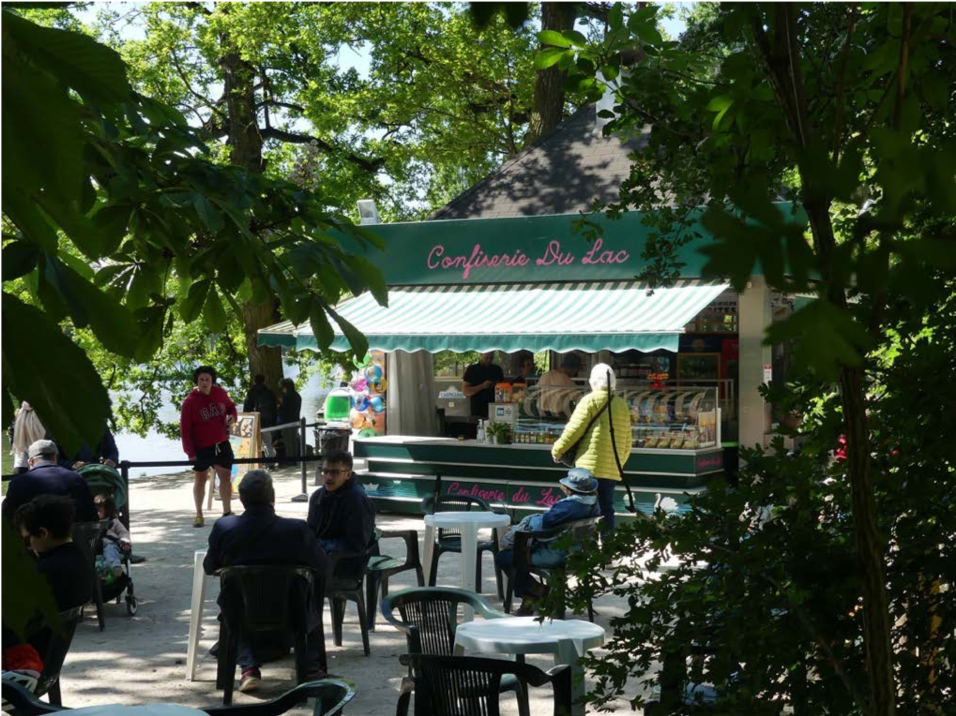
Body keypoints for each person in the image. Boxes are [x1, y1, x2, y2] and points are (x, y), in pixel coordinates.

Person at [203, 470, 329, 693]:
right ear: (272, 495)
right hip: (292, 613)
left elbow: (209, 567)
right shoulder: (296, 530)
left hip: (242, 613)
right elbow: (322, 566)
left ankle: (249, 666)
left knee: (234, 600)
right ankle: (310, 663)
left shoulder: (225, 528)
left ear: (241, 499)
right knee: (309, 586)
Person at [2, 495, 94, 693]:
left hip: (19, 669)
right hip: (45, 666)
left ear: (43, 533)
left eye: (27, 540)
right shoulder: (79, 561)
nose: (28, 547)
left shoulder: (46, 572)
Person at [494, 468, 600, 615]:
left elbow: (543, 525)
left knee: (505, 557)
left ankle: (534, 592)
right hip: (579, 553)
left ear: (570, 489)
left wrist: (530, 519)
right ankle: (532, 595)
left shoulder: (569, 506)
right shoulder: (594, 504)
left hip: (556, 554)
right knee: (517, 553)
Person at [551, 363, 632, 532]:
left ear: (592, 381)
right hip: (610, 470)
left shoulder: (589, 400)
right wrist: (618, 465)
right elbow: (627, 441)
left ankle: (582, 549)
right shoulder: (622, 405)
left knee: (582, 510)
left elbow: (573, 430)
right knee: (607, 510)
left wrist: (557, 450)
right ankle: (606, 550)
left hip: (586, 471)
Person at [180, 365, 237, 528]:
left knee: (225, 475)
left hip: (221, 443)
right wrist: (190, 452)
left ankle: (227, 512)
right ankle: (199, 514)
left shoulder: (220, 393)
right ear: (197, 382)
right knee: (200, 479)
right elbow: (185, 429)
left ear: (212, 381)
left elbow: (231, 407)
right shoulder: (189, 402)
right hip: (201, 447)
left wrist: (232, 417)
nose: (205, 383)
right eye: (201, 380)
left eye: (207, 380)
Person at [307, 450, 375, 567]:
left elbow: (356, 544)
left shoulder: (357, 500)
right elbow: (311, 530)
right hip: (319, 556)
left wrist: (320, 546)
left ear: (348, 474)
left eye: (334, 472)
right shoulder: (317, 496)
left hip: (346, 563)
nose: (328, 477)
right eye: (325, 471)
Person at [1, 440, 97, 523]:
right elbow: (91, 515)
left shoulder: (18, 483)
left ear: (30, 462)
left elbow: (6, 517)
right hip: (72, 540)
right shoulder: (76, 478)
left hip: (33, 541)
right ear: (55, 457)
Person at [95, 494, 131, 577]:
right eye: (95, 510)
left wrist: (125, 542)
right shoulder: (92, 522)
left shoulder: (114, 521)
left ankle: (115, 567)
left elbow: (123, 532)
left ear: (107, 511)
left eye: (99, 511)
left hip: (109, 543)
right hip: (95, 545)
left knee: (110, 550)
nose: (97, 513)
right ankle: (102, 566)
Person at [243, 375, 278, 459]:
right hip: (267, 420)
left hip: (254, 420)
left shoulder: (251, 392)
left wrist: (246, 419)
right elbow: (274, 407)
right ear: (264, 381)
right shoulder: (269, 392)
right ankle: (270, 461)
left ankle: (255, 461)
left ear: (254, 381)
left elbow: (247, 407)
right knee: (267, 441)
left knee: (254, 442)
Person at [537, 353, 582, 417]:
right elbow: (577, 398)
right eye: (576, 370)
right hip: (557, 416)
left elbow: (537, 392)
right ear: (572, 369)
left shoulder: (544, 375)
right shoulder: (566, 380)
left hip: (541, 414)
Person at [462, 351, 504, 419]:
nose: (489, 360)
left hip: (496, 409)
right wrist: (482, 386)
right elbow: (465, 391)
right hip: (478, 410)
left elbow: (503, 388)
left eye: (491, 358)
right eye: (486, 358)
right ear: (481, 355)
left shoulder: (497, 370)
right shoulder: (472, 370)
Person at [10, 402, 46, 475]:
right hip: (39, 450)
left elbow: (12, 433)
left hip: (20, 449)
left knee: (19, 475)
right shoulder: (42, 414)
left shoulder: (19, 414)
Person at [277, 378, 302, 460]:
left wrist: (279, 407)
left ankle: (290, 459)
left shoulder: (287, 397)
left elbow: (284, 411)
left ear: (285, 387)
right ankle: (296, 457)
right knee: (294, 440)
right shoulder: (297, 396)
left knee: (288, 441)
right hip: (296, 420)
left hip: (287, 422)